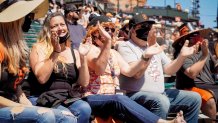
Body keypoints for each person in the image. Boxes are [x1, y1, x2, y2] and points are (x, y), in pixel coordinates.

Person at [82, 15, 186, 123]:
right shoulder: (89, 50)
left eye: (112, 29)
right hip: (94, 97)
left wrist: (145, 56)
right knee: (119, 99)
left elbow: (130, 71)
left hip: (113, 98)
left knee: (120, 100)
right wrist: (108, 42)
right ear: (94, 32)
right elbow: (99, 69)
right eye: (106, 29)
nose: (110, 32)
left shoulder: (113, 53)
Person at [0, 0, 76, 122]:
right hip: (4, 106)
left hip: (14, 103)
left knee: (68, 117)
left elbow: (16, 87)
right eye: (28, 16)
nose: (31, 19)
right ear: (15, 20)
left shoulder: (17, 49)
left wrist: (28, 106)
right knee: (45, 115)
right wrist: (21, 107)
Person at [117, 14, 201, 123]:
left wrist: (182, 56)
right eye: (143, 27)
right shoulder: (125, 46)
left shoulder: (153, 44)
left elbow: (169, 70)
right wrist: (149, 54)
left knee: (194, 98)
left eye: (148, 27)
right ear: (132, 30)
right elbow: (137, 74)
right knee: (161, 101)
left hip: (160, 94)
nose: (147, 30)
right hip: (135, 95)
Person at [24, 12, 92, 123]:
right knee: (68, 119)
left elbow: (83, 83)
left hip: (65, 97)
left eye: (62, 24)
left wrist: (83, 57)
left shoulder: (74, 52)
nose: (60, 28)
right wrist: (55, 52)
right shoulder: (39, 48)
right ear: (48, 30)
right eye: (55, 26)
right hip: (42, 97)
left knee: (84, 109)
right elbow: (42, 78)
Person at [173, 23, 217, 122]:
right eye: (191, 36)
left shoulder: (205, 50)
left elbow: (214, 68)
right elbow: (191, 73)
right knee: (209, 100)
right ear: (183, 41)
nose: (195, 38)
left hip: (209, 85)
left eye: (197, 34)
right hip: (189, 87)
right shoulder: (182, 54)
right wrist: (204, 56)